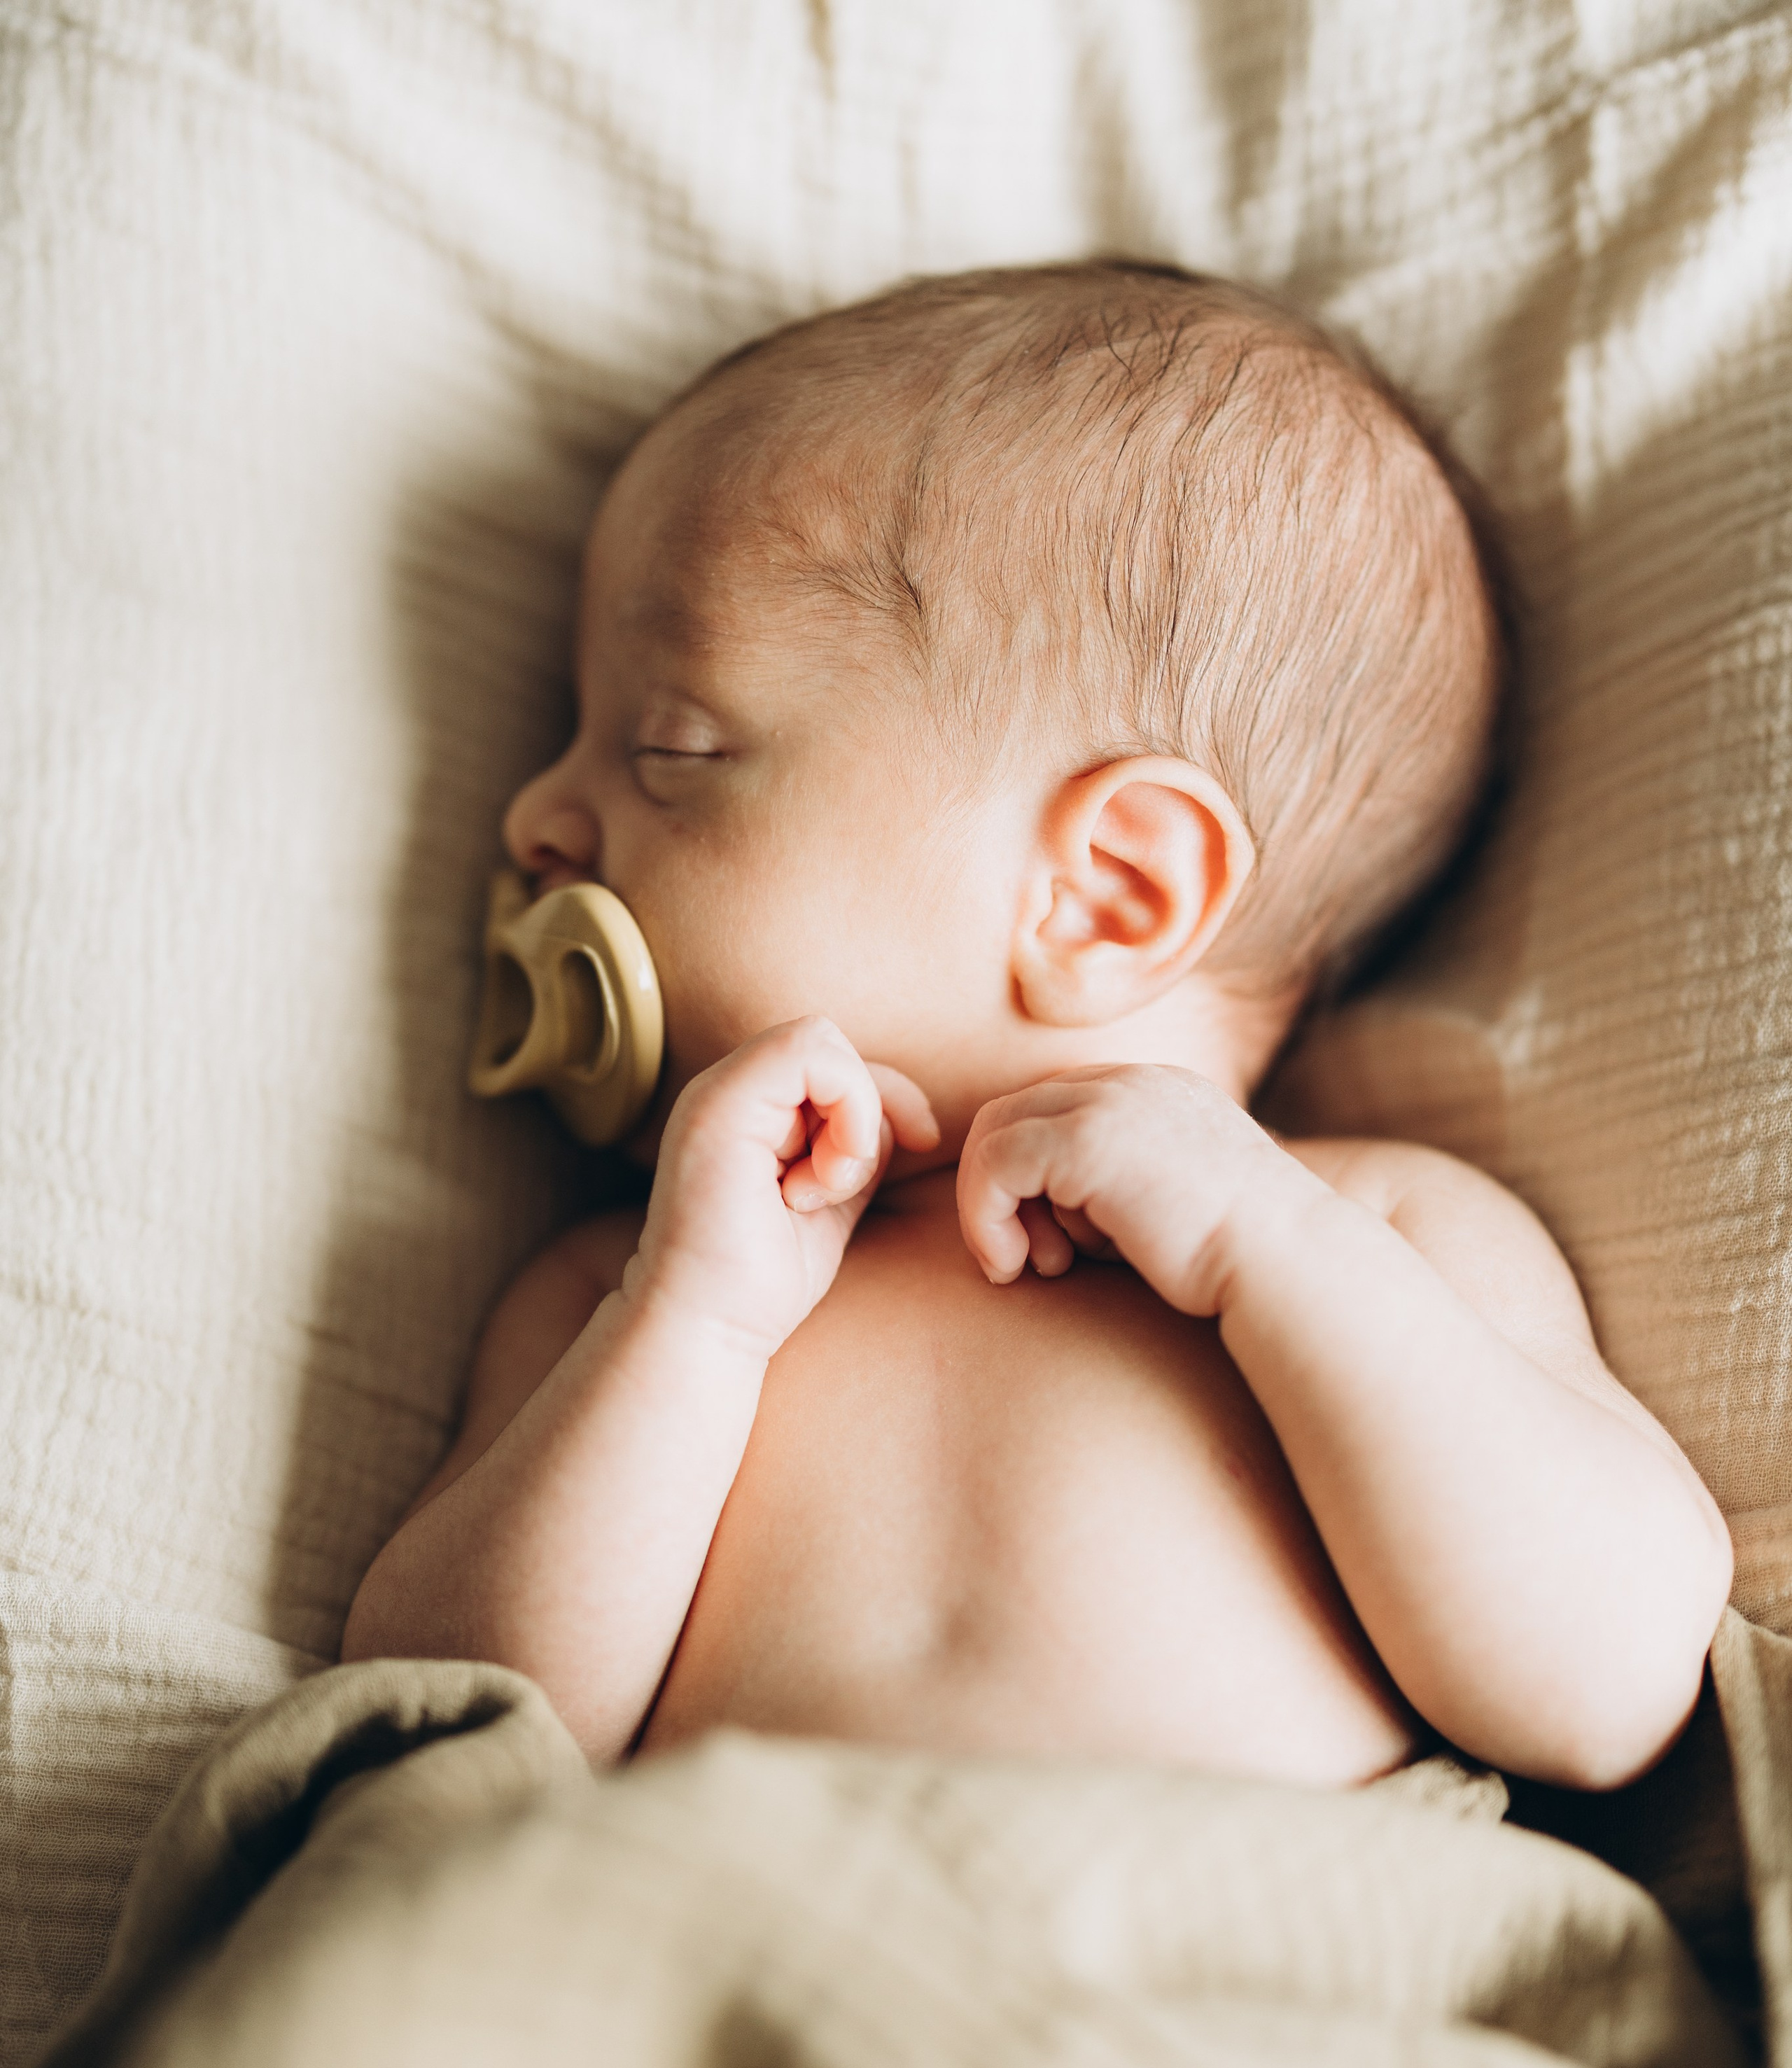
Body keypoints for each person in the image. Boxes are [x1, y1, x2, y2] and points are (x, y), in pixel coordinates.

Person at [342, 261, 1731, 1791]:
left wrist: (1269, 1250)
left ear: (1106, 896)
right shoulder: (622, 1285)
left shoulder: (1378, 1226)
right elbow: (442, 1720)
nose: (535, 816)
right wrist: (689, 1327)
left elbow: (1607, 1688)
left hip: (1235, 1944)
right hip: (715, 1926)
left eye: (671, 743)